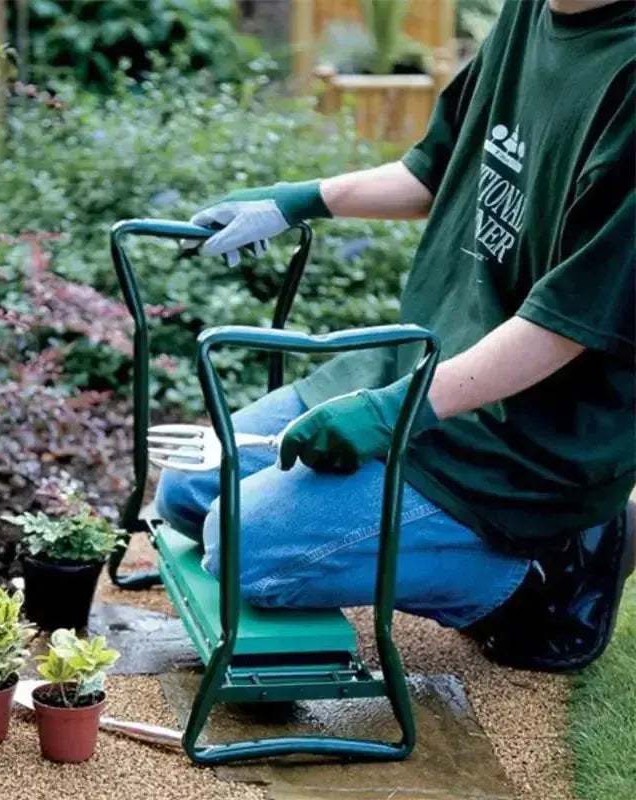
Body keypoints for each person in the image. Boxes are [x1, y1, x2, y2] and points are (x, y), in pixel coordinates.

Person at [156, 0, 636, 670]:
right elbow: (436, 169)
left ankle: (545, 574)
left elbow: (566, 325)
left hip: (526, 435)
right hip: (427, 360)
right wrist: (294, 201)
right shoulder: (534, 10)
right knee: (187, 489)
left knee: (239, 547)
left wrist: (394, 413)